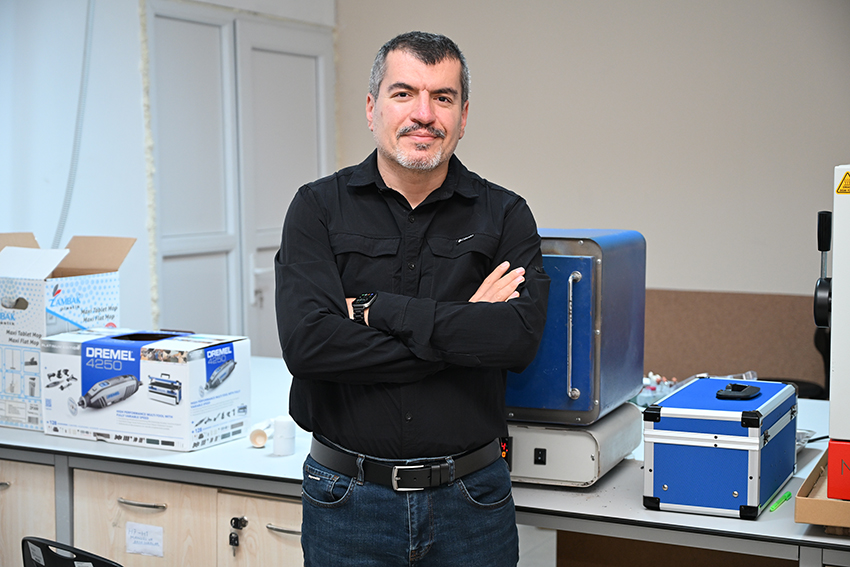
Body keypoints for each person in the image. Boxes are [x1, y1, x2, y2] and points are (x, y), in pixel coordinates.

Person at [275, 31, 549, 566]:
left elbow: (516, 341)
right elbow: (309, 346)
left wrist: (376, 310)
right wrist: (465, 328)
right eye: (404, 94)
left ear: (463, 116)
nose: (424, 114)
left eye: (442, 97)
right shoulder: (317, 209)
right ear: (372, 107)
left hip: (472, 502)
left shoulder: (505, 215)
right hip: (345, 500)